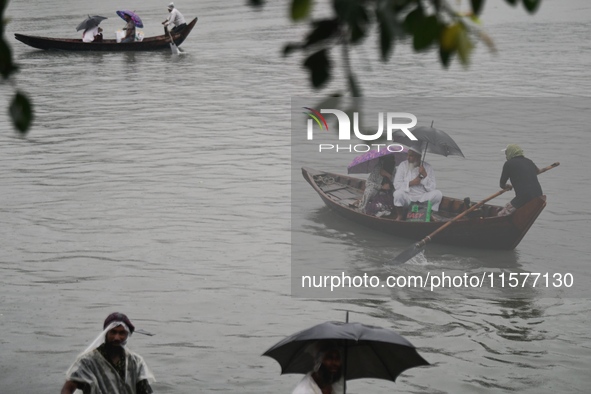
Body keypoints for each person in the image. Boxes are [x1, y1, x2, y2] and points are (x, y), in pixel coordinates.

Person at [60, 312, 155, 394]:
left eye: (121, 333)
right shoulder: (88, 361)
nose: (117, 338)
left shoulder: (135, 361)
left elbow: (144, 391)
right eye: (113, 332)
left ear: (127, 335)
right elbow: (68, 388)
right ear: (106, 333)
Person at [393, 145, 442, 220]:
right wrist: (411, 183)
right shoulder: (403, 166)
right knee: (397, 194)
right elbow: (397, 185)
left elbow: (432, 188)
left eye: (411, 156)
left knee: (438, 194)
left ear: (418, 157)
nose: (408, 158)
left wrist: (425, 175)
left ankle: (429, 214)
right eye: (408, 155)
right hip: (408, 197)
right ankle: (400, 215)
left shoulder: (428, 167)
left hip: (423, 197)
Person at [498, 144, 543, 216]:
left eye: (506, 154)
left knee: (501, 215)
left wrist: (507, 186)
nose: (506, 156)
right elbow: (537, 171)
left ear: (510, 153)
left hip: (524, 197)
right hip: (539, 195)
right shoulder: (529, 161)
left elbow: (502, 184)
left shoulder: (508, 164)